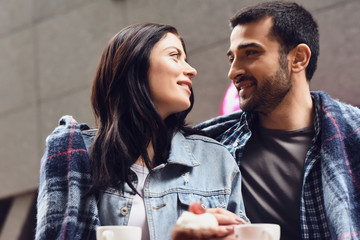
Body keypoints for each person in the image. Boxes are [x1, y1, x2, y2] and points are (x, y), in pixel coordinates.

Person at [35, 23, 248, 240]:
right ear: (134, 66)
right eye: (174, 55)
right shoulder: (75, 156)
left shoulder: (215, 159)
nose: (192, 70)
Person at [173, 1, 360, 240]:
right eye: (232, 58)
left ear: (298, 58)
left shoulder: (353, 135)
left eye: (250, 53)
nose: (233, 71)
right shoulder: (210, 146)